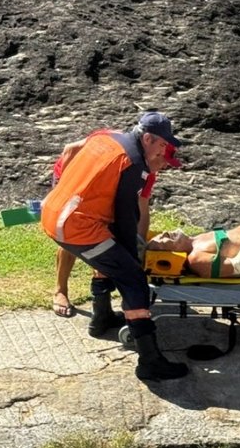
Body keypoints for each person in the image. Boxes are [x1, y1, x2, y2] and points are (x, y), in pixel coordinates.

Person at [41, 111, 188, 381]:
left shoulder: (108, 137)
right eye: (161, 144)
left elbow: (73, 152)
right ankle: (150, 361)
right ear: (147, 139)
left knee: (110, 258)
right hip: (76, 226)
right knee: (131, 277)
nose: (164, 149)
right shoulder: (132, 163)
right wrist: (133, 260)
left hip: (54, 213)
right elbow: (125, 215)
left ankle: (102, 319)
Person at [51, 137, 181, 326]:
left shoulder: (147, 173)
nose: (165, 167)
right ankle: (60, 290)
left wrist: (138, 245)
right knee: (72, 232)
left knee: (106, 242)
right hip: (75, 177)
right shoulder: (120, 151)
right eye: (164, 161)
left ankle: (102, 314)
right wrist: (67, 184)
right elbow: (70, 147)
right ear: (155, 151)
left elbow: (142, 209)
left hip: (104, 188)